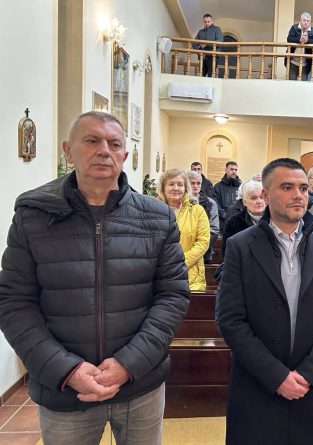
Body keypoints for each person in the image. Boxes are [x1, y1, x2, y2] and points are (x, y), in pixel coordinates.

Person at [0, 111, 189, 444]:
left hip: (140, 382)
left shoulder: (157, 218)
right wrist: (66, 369)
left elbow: (172, 296)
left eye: (114, 144)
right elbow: (13, 301)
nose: (104, 150)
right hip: (66, 389)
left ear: (124, 155)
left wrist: (128, 364)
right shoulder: (33, 215)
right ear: (68, 151)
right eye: (91, 140)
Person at [217, 158, 313, 445]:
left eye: (303, 188)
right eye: (287, 187)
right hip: (257, 382)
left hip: (310, 382)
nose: (298, 195)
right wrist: (276, 376)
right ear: (266, 196)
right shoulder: (240, 245)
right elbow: (230, 319)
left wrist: (308, 373)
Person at [158, 168, 210, 291]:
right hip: (160, 275)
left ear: (186, 188)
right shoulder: (153, 210)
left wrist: (180, 263)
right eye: (171, 184)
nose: (176, 188)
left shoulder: (197, 211)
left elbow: (203, 242)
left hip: (191, 278)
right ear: (163, 188)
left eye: (180, 185)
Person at [221, 180, 265, 256]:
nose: (259, 201)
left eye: (261, 197)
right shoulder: (234, 223)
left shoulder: (275, 220)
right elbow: (227, 253)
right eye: (254, 198)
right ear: (244, 202)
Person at [188, 170, 220, 264]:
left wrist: (198, 249)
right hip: (183, 250)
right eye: (192, 183)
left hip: (204, 251)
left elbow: (214, 230)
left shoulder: (210, 203)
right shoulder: (179, 201)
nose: (196, 186)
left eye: (198, 183)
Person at [286, 12, 313, 81]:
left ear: (310, 22)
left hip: (305, 63)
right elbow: (289, 39)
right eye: (304, 20)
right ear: (300, 20)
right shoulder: (294, 28)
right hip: (292, 62)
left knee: (303, 84)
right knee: (291, 83)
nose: (306, 22)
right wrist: (299, 39)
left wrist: (307, 41)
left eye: (308, 21)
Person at [213, 161, 242, 229]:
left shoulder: (241, 186)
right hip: (223, 221)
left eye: (236, 170)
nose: (234, 171)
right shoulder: (217, 187)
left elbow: (243, 202)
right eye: (231, 169)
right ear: (226, 170)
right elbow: (215, 203)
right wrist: (224, 214)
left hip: (238, 220)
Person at [193, 13, 223, 77]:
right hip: (202, 56)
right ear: (203, 22)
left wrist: (206, 44)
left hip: (213, 56)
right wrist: (199, 51)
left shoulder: (217, 29)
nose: (207, 23)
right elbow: (194, 43)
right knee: (201, 75)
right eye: (205, 22)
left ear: (212, 21)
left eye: (208, 21)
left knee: (211, 76)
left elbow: (220, 41)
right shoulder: (200, 31)